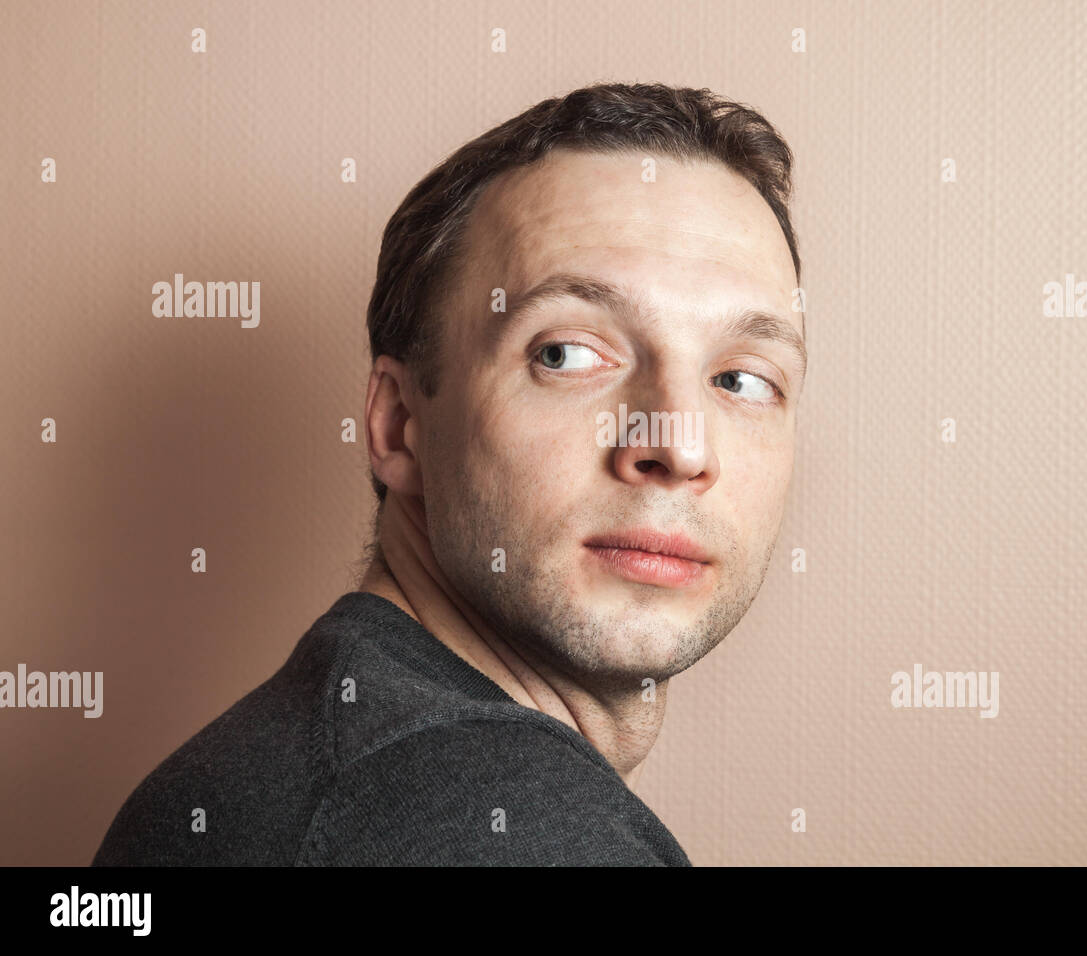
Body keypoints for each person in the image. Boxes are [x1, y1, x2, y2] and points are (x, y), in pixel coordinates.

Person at [92, 82, 807, 866]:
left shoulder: (307, 762)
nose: (679, 446)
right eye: (565, 353)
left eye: (742, 378)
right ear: (399, 423)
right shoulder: (495, 826)